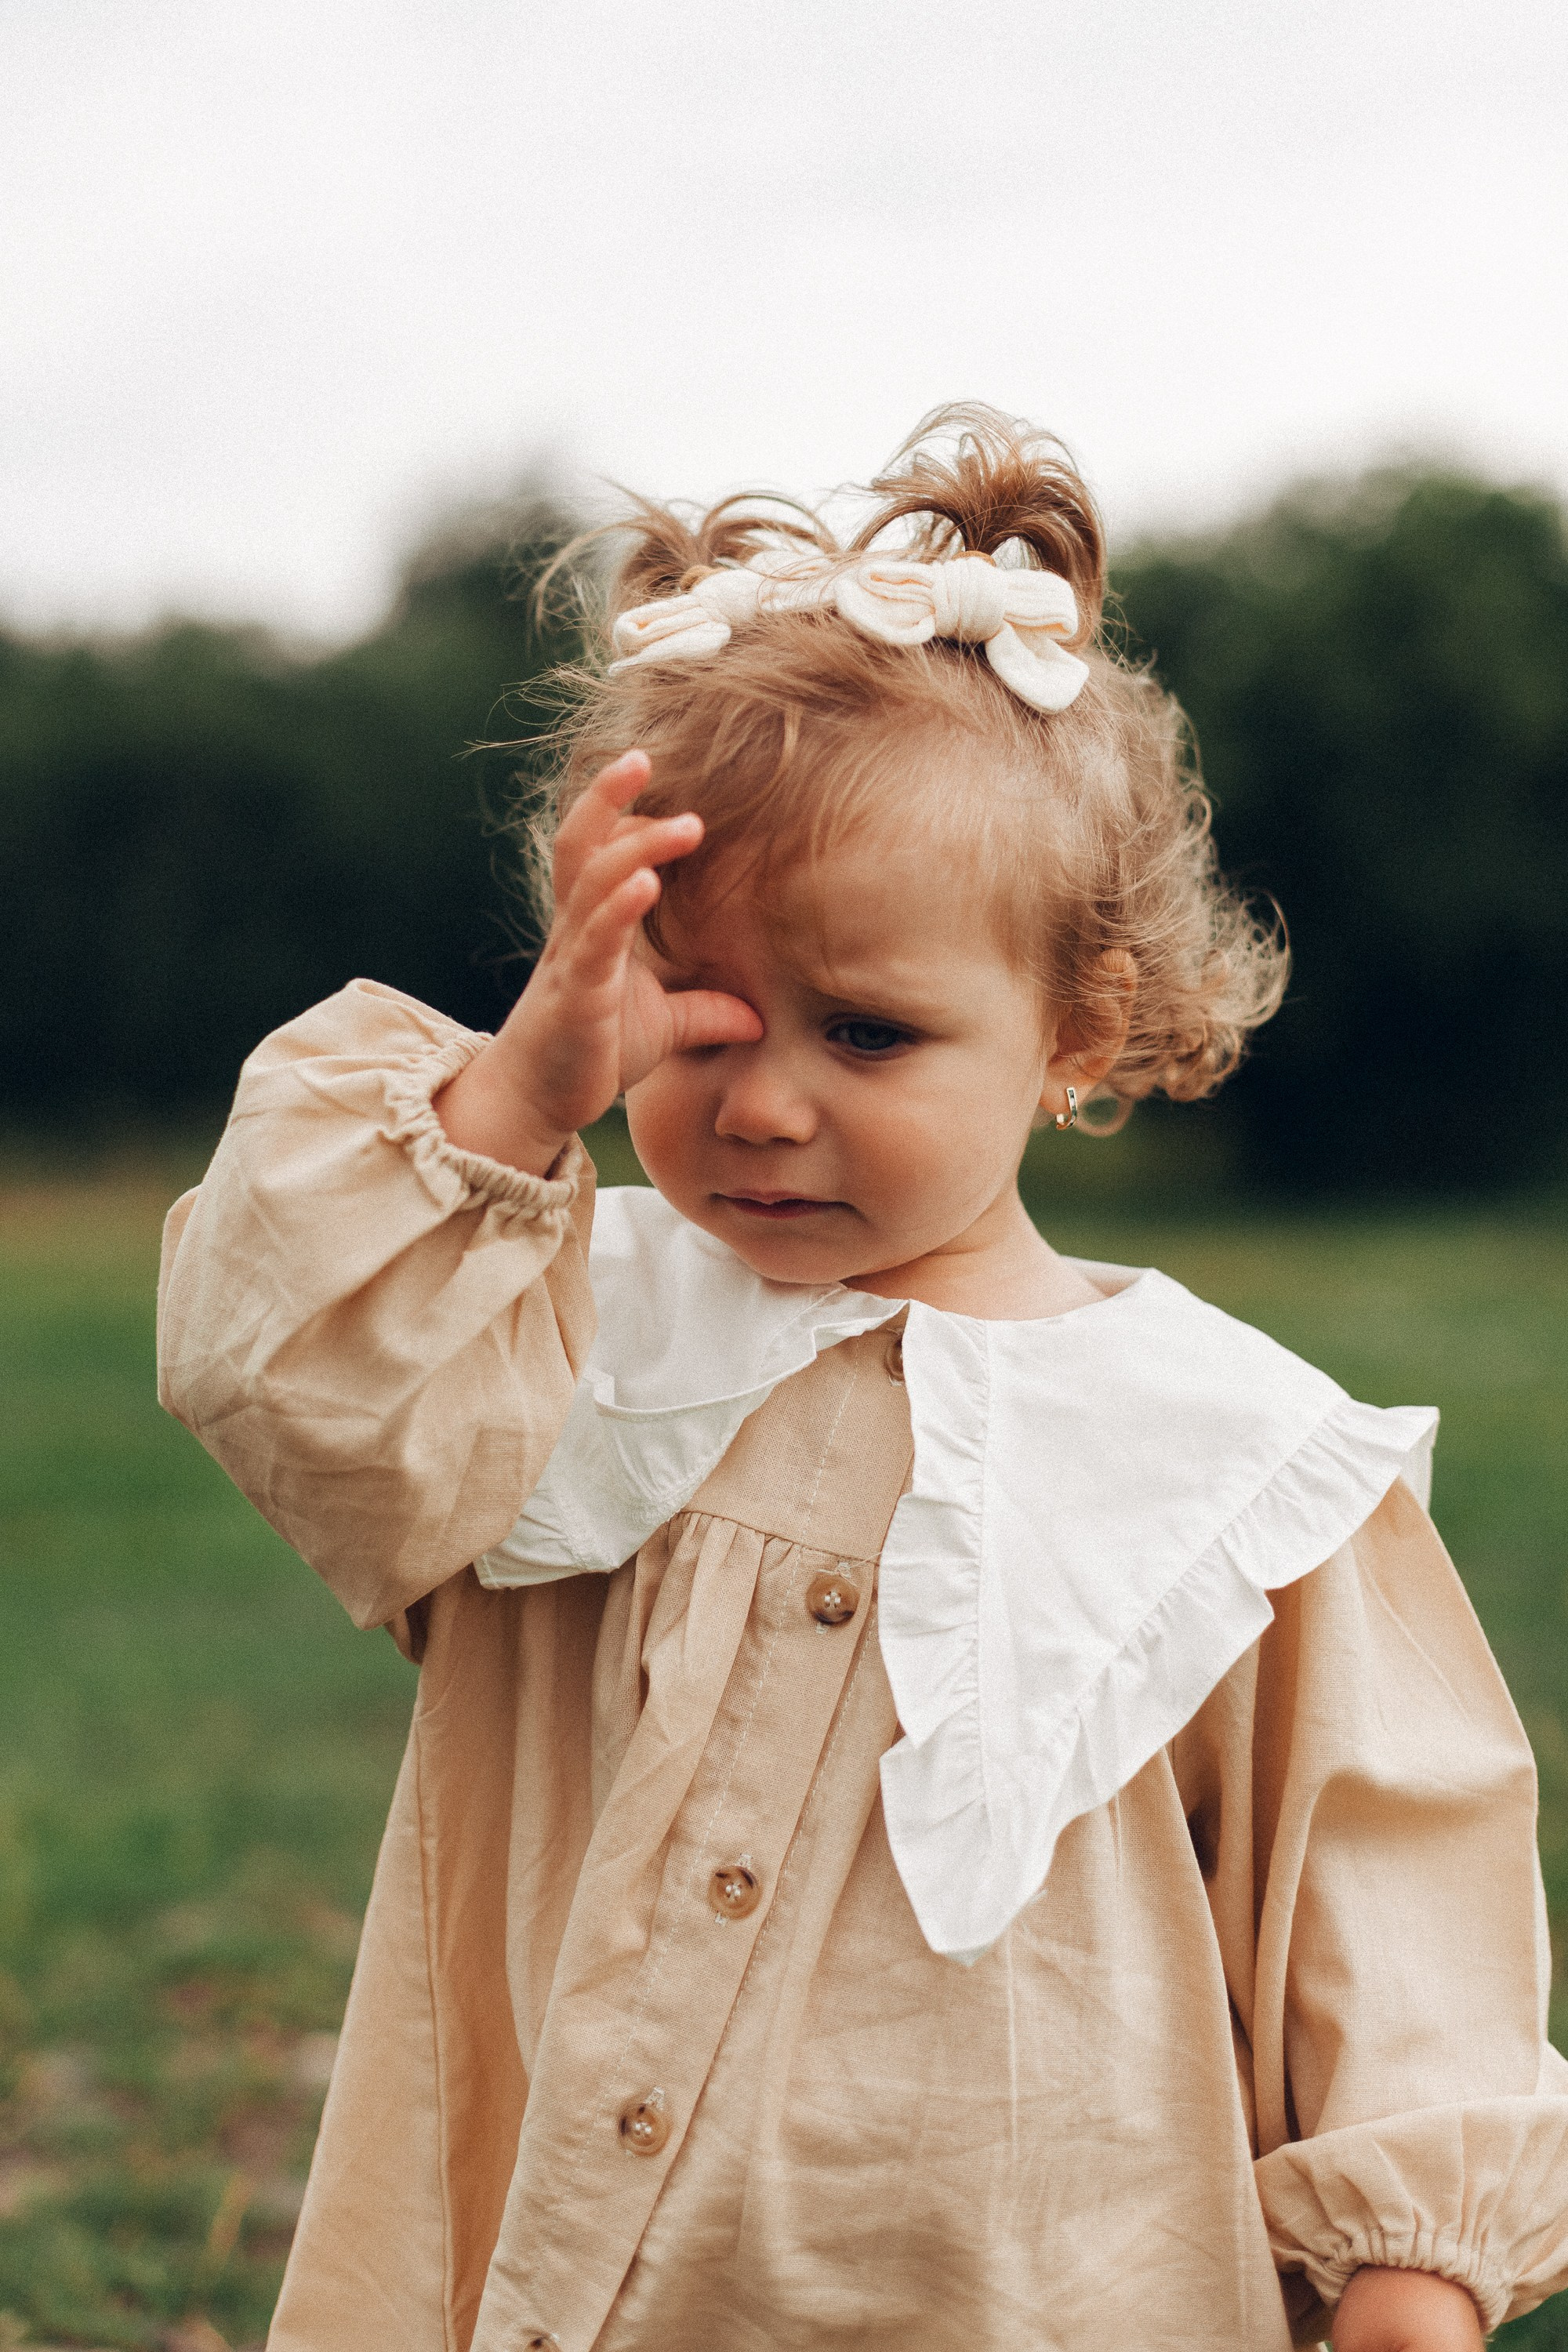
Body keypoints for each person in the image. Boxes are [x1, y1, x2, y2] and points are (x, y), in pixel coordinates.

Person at [157, 406, 1568, 2352]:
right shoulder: (537, 1322)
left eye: (869, 1031)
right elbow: (271, 1366)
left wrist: (1410, 2257)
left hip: (1034, 2292)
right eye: (697, 1016)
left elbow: (1386, 1864)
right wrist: (521, 1088)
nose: (760, 1101)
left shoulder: (1235, 1456)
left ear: (1079, 1030)